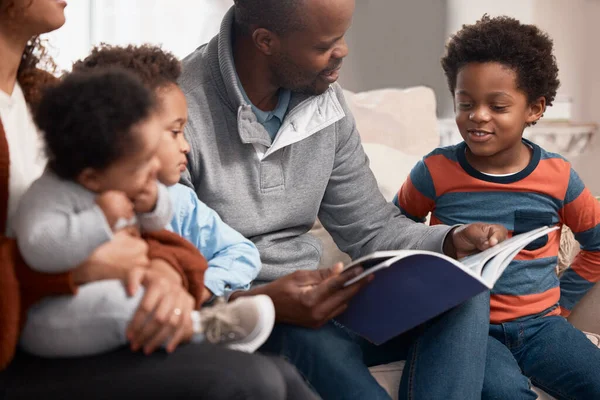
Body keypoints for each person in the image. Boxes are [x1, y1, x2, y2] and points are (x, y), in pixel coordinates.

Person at [178, 0, 508, 398]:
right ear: (265, 40)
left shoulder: (324, 101)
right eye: (325, 44)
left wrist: (450, 241)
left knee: (463, 293)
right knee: (313, 342)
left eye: (343, 36)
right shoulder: (175, 113)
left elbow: (372, 228)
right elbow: (172, 270)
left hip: (325, 302)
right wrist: (260, 303)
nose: (343, 52)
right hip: (255, 315)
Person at [0, 1, 318, 399]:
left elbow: (144, 224)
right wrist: (78, 270)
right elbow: (60, 235)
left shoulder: (48, 100)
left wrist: (167, 274)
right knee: (254, 381)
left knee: (283, 378)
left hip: (95, 309)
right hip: (32, 337)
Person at [396, 15, 600, 399]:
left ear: (534, 109)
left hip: (542, 327)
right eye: (466, 103)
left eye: (498, 105)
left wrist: (566, 300)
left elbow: (597, 243)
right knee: (506, 393)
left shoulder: (559, 177)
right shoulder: (435, 171)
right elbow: (393, 232)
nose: (478, 116)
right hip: (464, 330)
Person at [15, 68, 275, 357]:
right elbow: (38, 247)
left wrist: (152, 204)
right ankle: (201, 329)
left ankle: (196, 326)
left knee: (138, 297)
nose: (153, 169)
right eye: (141, 164)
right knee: (126, 302)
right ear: (90, 178)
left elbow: (156, 226)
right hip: (55, 318)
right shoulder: (50, 194)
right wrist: (99, 220)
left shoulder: (116, 181)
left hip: (112, 296)